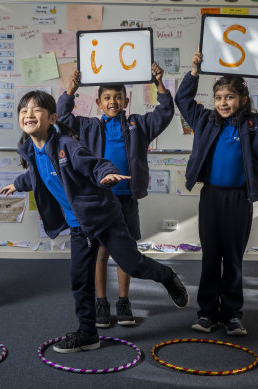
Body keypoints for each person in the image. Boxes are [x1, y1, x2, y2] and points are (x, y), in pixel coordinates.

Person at [0, 90, 188, 353]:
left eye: (36, 110)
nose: (29, 114)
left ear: (52, 117)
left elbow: (95, 164)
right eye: (24, 110)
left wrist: (108, 174)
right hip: (79, 226)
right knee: (79, 279)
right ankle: (88, 333)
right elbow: (37, 175)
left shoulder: (67, 145)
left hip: (103, 218)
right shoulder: (32, 149)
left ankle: (166, 276)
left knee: (133, 265)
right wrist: (17, 184)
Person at [175, 50, 258, 336]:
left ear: (243, 100)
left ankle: (231, 314)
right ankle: (208, 314)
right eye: (218, 98)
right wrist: (194, 71)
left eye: (229, 97)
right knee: (210, 257)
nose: (223, 103)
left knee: (232, 258)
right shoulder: (205, 121)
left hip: (239, 200)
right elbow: (182, 100)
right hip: (211, 198)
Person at [57, 63, 174, 328]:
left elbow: (165, 113)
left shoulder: (138, 125)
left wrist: (159, 84)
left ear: (126, 100)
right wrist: (71, 90)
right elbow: (62, 119)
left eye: (118, 97)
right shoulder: (88, 127)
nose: (113, 102)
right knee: (100, 252)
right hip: (100, 200)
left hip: (126, 198)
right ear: (98, 103)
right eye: (107, 98)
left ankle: (123, 301)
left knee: (127, 251)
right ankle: (101, 302)